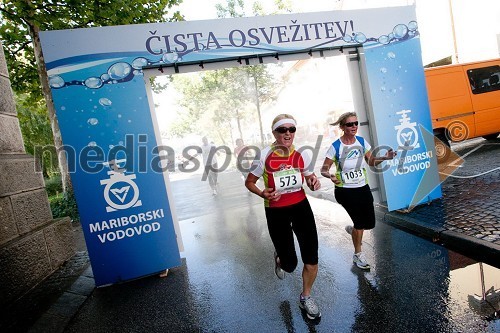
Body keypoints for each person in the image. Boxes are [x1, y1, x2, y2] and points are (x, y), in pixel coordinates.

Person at [245, 114, 322, 320]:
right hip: (276, 210)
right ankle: (280, 259)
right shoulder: (263, 156)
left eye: (291, 129)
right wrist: (262, 192)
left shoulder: (301, 154)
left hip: (301, 207)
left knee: (311, 259)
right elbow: (250, 182)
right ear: (275, 133)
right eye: (282, 130)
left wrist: (313, 182)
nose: (288, 133)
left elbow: (308, 178)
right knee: (290, 265)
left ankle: (306, 297)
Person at [321, 112, 397, 270]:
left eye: (356, 123)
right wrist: (330, 175)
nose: (354, 126)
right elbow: (324, 169)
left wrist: (385, 157)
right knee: (360, 222)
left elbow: (371, 162)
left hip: (362, 187)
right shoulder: (336, 146)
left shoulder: (361, 142)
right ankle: (358, 255)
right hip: (345, 191)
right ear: (342, 127)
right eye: (350, 124)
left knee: (369, 223)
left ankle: (354, 231)